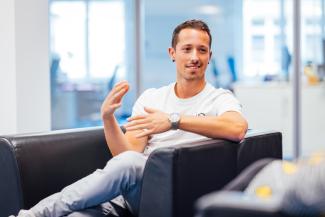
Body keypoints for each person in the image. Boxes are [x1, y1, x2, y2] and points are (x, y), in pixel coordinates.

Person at [13, 19, 248, 217]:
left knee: (131, 164)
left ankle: (35, 214)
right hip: (133, 196)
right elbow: (127, 156)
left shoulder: (219, 98)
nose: (195, 57)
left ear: (209, 56)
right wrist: (108, 119)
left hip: (177, 192)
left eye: (202, 50)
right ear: (172, 53)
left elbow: (237, 128)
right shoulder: (152, 98)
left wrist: (174, 120)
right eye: (187, 49)